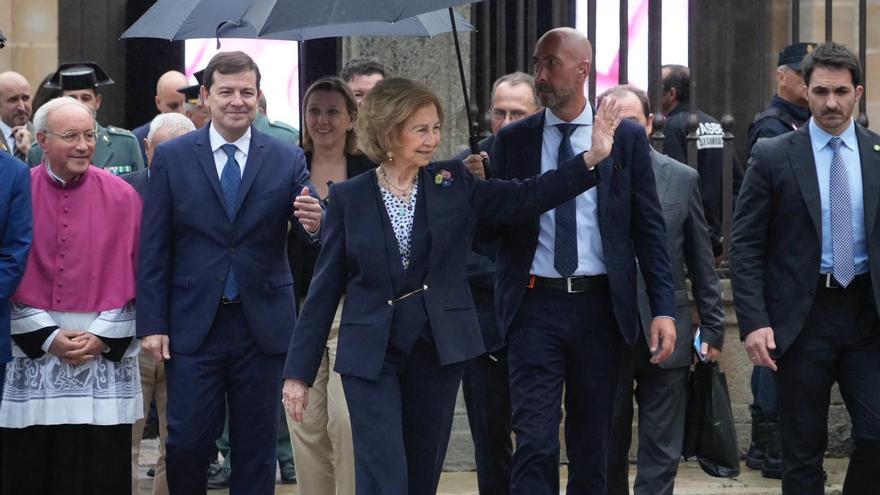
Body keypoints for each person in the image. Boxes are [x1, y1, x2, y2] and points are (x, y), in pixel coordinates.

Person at [283, 75, 622, 495]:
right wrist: (297, 373)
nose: (432, 139)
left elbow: (525, 197)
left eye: (436, 128)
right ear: (389, 130)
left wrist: (590, 158)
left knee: (421, 475)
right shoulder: (349, 198)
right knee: (382, 476)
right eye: (420, 129)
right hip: (371, 354)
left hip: (436, 348)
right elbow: (324, 290)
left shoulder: (452, 182)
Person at [489, 28, 675, 495]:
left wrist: (664, 308)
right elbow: (503, 216)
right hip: (534, 305)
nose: (540, 76)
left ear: (583, 69)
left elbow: (647, 227)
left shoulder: (626, 137)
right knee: (534, 438)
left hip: (599, 307)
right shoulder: (514, 141)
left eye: (550, 63)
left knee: (594, 445)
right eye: (536, 63)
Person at [136, 51, 322, 495]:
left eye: (246, 92)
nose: (237, 101)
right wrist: (153, 324)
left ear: (259, 98)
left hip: (263, 326)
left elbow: (309, 227)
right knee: (184, 443)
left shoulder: (286, 156)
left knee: (256, 448)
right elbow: (155, 246)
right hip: (193, 323)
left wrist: (317, 222)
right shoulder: (174, 157)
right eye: (226, 92)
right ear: (205, 97)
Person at [731, 42, 880, 495]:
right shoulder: (776, 154)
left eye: (839, 91)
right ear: (805, 92)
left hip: (865, 316)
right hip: (801, 318)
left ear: (857, 92)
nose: (830, 102)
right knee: (800, 451)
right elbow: (746, 243)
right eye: (820, 92)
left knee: (876, 433)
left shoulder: (877, 154)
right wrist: (754, 322)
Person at [0, 96, 143, 494]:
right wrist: (46, 337)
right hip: (34, 348)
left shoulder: (124, 196)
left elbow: (138, 272)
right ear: (42, 141)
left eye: (89, 135)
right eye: (71, 137)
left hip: (102, 349)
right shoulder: (18, 190)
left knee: (101, 469)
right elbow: (9, 265)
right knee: (31, 466)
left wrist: (102, 336)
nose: (83, 145)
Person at [601, 84, 725, 495]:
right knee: (605, 444)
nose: (622, 132)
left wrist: (713, 329)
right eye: (613, 123)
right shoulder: (585, 175)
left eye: (632, 123)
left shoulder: (681, 178)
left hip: (667, 328)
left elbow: (701, 262)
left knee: (661, 447)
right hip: (606, 329)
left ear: (650, 124)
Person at [284, 76, 375, 495]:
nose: (322, 120)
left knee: (346, 420)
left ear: (352, 118)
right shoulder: (288, 166)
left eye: (333, 111)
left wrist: (327, 223)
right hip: (298, 308)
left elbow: (377, 245)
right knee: (303, 421)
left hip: (350, 308)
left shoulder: (369, 172)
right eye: (314, 111)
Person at [452, 71, 540, 495]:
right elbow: (454, 251)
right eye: (500, 112)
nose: (506, 123)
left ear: (538, 114)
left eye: (518, 113)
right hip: (484, 324)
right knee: (489, 435)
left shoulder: (555, 163)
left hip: (541, 319)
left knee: (537, 434)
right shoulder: (466, 166)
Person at [743, 41, 816, 479]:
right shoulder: (772, 127)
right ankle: (769, 446)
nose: (808, 84)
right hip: (780, 262)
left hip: (800, 265)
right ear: (781, 76)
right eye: (799, 73)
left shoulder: (805, 123)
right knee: (772, 356)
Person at [124, 112, 195, 495]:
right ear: (147, 148)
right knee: (126, 435)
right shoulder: (122, 191)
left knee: (180, 440)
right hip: (132, 329)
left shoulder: (206, 194)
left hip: (187, 331)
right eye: (160, 151)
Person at [661, 64, 740, 257]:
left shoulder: (671, 127)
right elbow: (736, 181)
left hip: (693, 237)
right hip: (718, 234)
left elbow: (673, 187)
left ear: (671, 94)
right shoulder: (714, 123)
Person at [29, 62, 145, 175]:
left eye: (86, 98)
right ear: (60, 101)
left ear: (98, 101)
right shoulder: (40, 149)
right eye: (72, 98)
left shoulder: (126, 144)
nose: (79, 104)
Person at [131, 70, 189, 164]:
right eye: (173, 106)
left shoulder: (201, 136)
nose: (181, 112)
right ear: (158, 102)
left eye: (185, 104)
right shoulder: (137, 140)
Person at [0, 71, 34, 161]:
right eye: (13, 100)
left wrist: (29, 153)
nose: (22, 107)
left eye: (25, 98)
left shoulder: (44, 137)